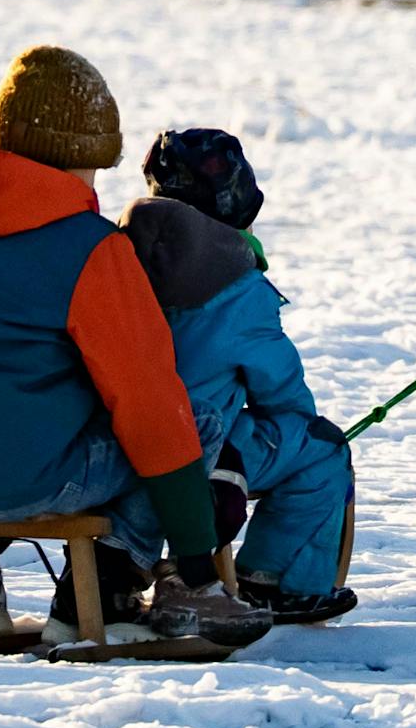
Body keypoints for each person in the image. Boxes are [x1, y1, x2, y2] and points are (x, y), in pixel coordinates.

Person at [0, 46, 270, 647]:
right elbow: (151, 406)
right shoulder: (91, 249)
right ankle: (110, 586)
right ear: (83, 157)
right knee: (195, 419)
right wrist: (194, 563)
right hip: (29, 476)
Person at [121, 127, 356, 625]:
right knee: (321, 449)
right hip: (195, 450)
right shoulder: (236, 288)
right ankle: (276, 583)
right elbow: (283, 395)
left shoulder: (113, 259)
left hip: (107, 444)